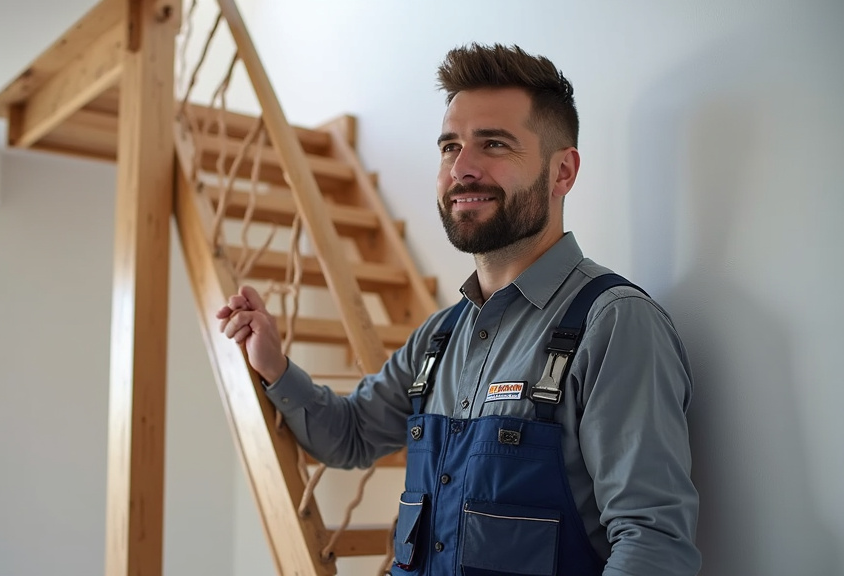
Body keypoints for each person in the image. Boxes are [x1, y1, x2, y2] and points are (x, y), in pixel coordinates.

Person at [217, 43, 700, 576]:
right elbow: (351, 434)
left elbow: (651, 541)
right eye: (450, 147)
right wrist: (274, 367)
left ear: (562, 172)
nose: (462, 168)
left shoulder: (612, 325)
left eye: (493, 144)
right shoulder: (439, 339)